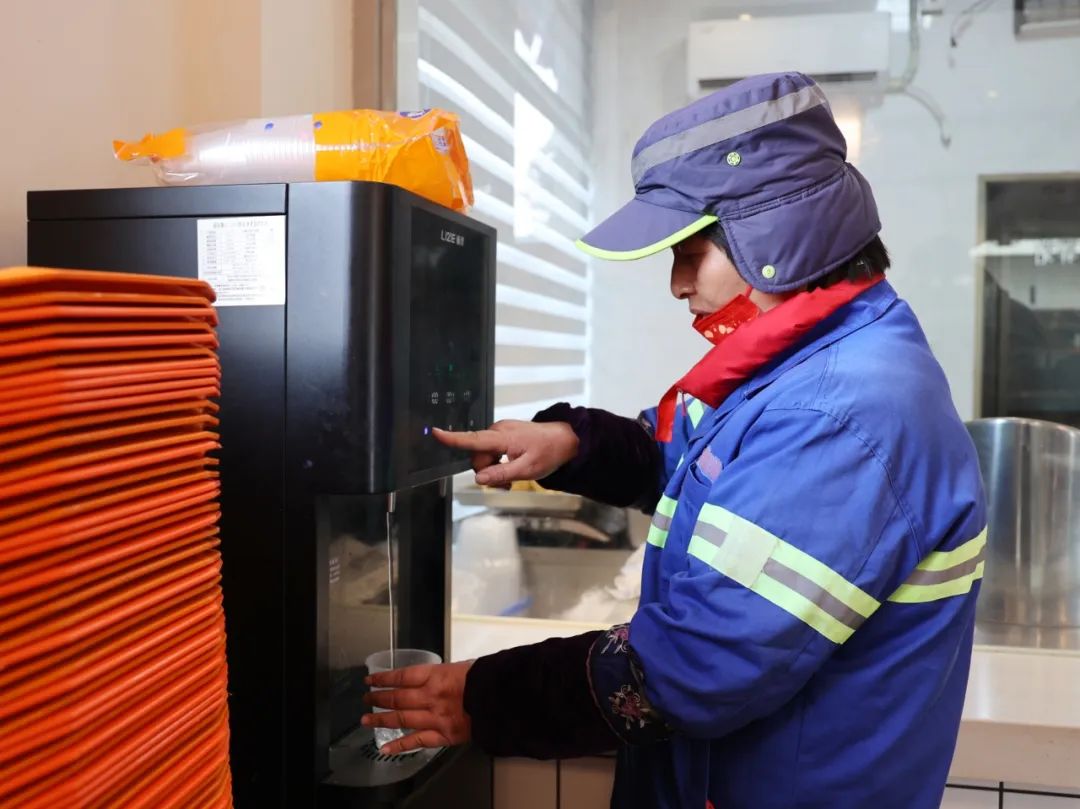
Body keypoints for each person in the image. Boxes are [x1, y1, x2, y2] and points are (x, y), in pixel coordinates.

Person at [362, 72, 987, 809]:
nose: (678, 284)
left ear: (777, 238)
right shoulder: (801, 365)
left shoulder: (840, 413)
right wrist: (572, 442)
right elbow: (690, 459)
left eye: (691, 252)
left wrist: (482, 697)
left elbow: (696, 665)